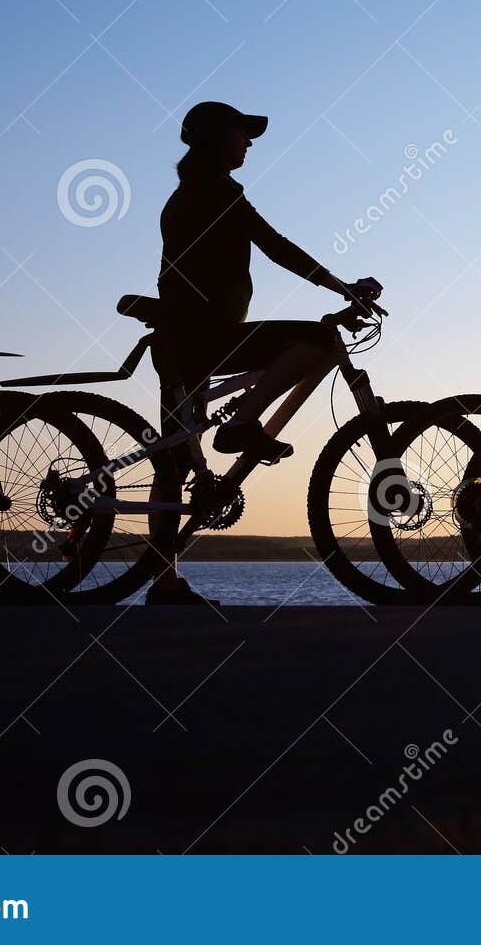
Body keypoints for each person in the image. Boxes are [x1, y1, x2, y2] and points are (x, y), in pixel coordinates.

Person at [147, 100, 380, 606]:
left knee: (173, 461)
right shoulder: (216, 192)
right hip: (203, 337)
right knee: (319, 341)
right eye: (241, 133)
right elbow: (275, 245)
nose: (249, 143)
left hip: (181, 340)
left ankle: (164, 581)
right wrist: (341, 287)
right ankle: (241, 425)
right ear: (215, 140)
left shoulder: (193, 192)